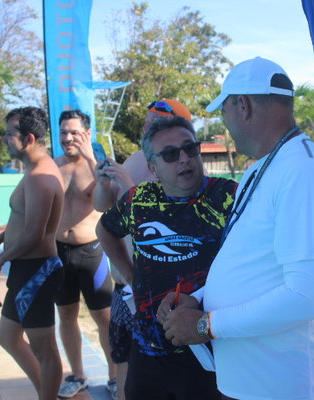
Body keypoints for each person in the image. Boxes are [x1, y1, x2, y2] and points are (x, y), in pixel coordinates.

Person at [158, 57, 314, 400]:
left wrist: (204, 325)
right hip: (252, 382)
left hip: (283, 386)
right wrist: (196, 299)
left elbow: (304, 297)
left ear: (243, 106)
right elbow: (256, 259)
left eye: (224, 111)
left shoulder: (303, 172)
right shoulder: (266, 167)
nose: (225, 122)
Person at [96, 115, 238, 400]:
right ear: (153, 167)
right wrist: (131, 276)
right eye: (171, 154)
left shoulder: (227, 196)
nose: (184, 159)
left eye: (190, 148)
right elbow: (104, 229)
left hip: (209, 350)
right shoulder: (139, 200)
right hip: (149, 351)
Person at [92, 99, 193, 400]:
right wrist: (103, 184)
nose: (148, 126)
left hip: (160, 292)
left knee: (162, 374)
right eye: (147, 120)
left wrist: (127, 185)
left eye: (157, 121)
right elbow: (103, 208)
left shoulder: (180, 167)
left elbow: (166, 223)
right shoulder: (136, 160)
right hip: (126, 284)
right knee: (124, 359)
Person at [0, 107, 65, 400]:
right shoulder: (33, 170)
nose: (5, 139)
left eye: (9, 134)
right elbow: (24, 220)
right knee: (8, 337)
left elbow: (35, 235)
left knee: (45, 350)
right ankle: (45, 393)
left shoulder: (41, 176)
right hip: (25, 270)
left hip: (37, 271)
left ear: (28, 138)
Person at [53, 110, 116, 399]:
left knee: (104, 316)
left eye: (74, 132)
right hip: (59, 251)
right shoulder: (54, 166)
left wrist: (90, 157)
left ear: (87, 134)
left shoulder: (100, 166)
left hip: (91, 252)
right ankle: (78, 374)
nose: (68, 138)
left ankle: (114, 376)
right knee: (66, 314)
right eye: (63, 132)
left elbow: (110, 200)